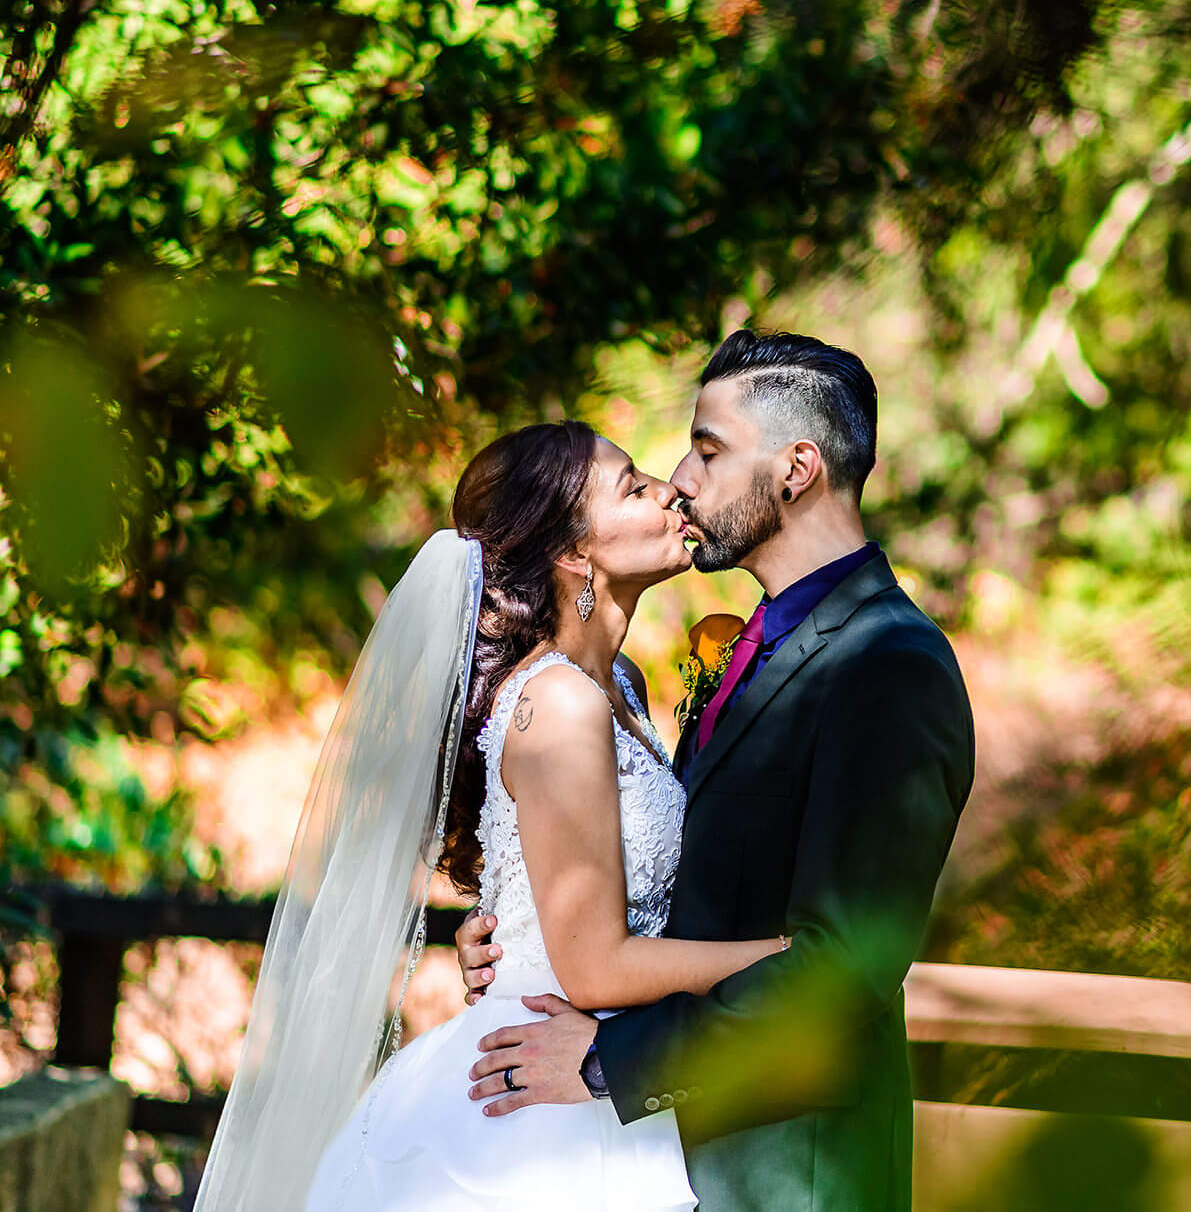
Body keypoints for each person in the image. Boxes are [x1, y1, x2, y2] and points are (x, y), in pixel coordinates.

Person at [198, 420, 796, 1212]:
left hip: (599, 1060)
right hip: (540, 1095)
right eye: (631, 484)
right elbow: (594, 966)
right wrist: (790, 958)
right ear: (574, 553)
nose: (668, 488)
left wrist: (497, 931)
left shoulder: (620, 682)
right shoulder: (557, 703)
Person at [456, 331, 975, 1212]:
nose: (682, 479)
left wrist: (603, 1059)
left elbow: (845, 972)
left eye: (708, 449)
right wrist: (519, 945)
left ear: (797, 468)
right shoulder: (747, 649)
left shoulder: (890, 662)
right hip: (669, 1154)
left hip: (790, 1166)